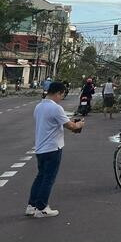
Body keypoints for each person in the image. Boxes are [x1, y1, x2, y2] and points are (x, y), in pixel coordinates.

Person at [26, 81, 84, 218]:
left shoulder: (39, 106)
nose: (61, 98)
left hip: (40, 148)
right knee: (48, 179)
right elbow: (71, 126)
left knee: (40, 177)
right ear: (58, 93)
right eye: (62, 95)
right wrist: (80, 124)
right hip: (53, 148)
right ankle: (42, 208)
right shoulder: (55, 108)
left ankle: (31, 206)